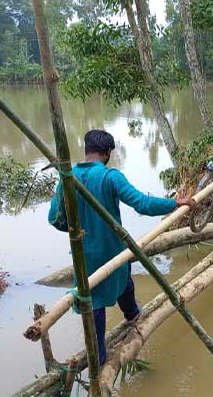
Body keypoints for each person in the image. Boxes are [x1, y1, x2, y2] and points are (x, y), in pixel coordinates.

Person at [48, 129, 195, 365]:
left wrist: (77, 230)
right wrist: (176, 202)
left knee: (96, 296)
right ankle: (108, 347)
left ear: (86, 151)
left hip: (83, 253)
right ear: (107, 154)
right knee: (118, 280)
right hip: (112, 249)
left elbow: (54, 219)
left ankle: (122, 327)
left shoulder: (67, 178)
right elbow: (142, 204)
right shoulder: (110, 177)